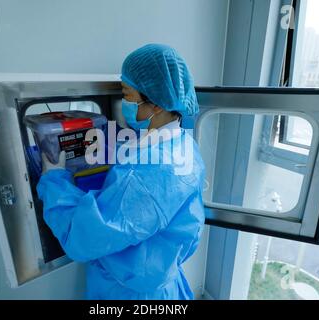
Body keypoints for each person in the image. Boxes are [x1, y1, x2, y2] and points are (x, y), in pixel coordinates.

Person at [37, 44, 206, 299]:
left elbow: (83, 238)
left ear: (156, 105)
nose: (125, 102)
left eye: (127, 95)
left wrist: (54, 180)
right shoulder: (184, 145)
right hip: (165, 283)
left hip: (130, 292)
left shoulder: (143, 174)